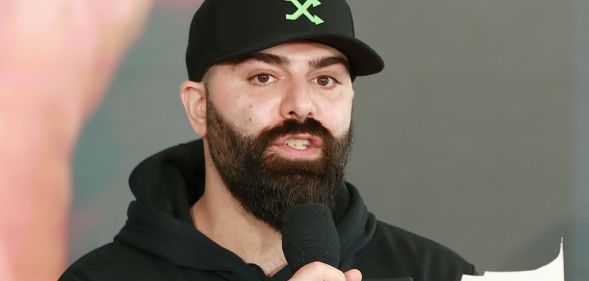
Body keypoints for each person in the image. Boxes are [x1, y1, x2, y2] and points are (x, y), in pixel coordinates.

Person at [60, 0, 476, 280]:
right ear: (199, 107)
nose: (302, 106)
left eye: (325, 79)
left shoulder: (435, 273)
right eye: (264, 77)